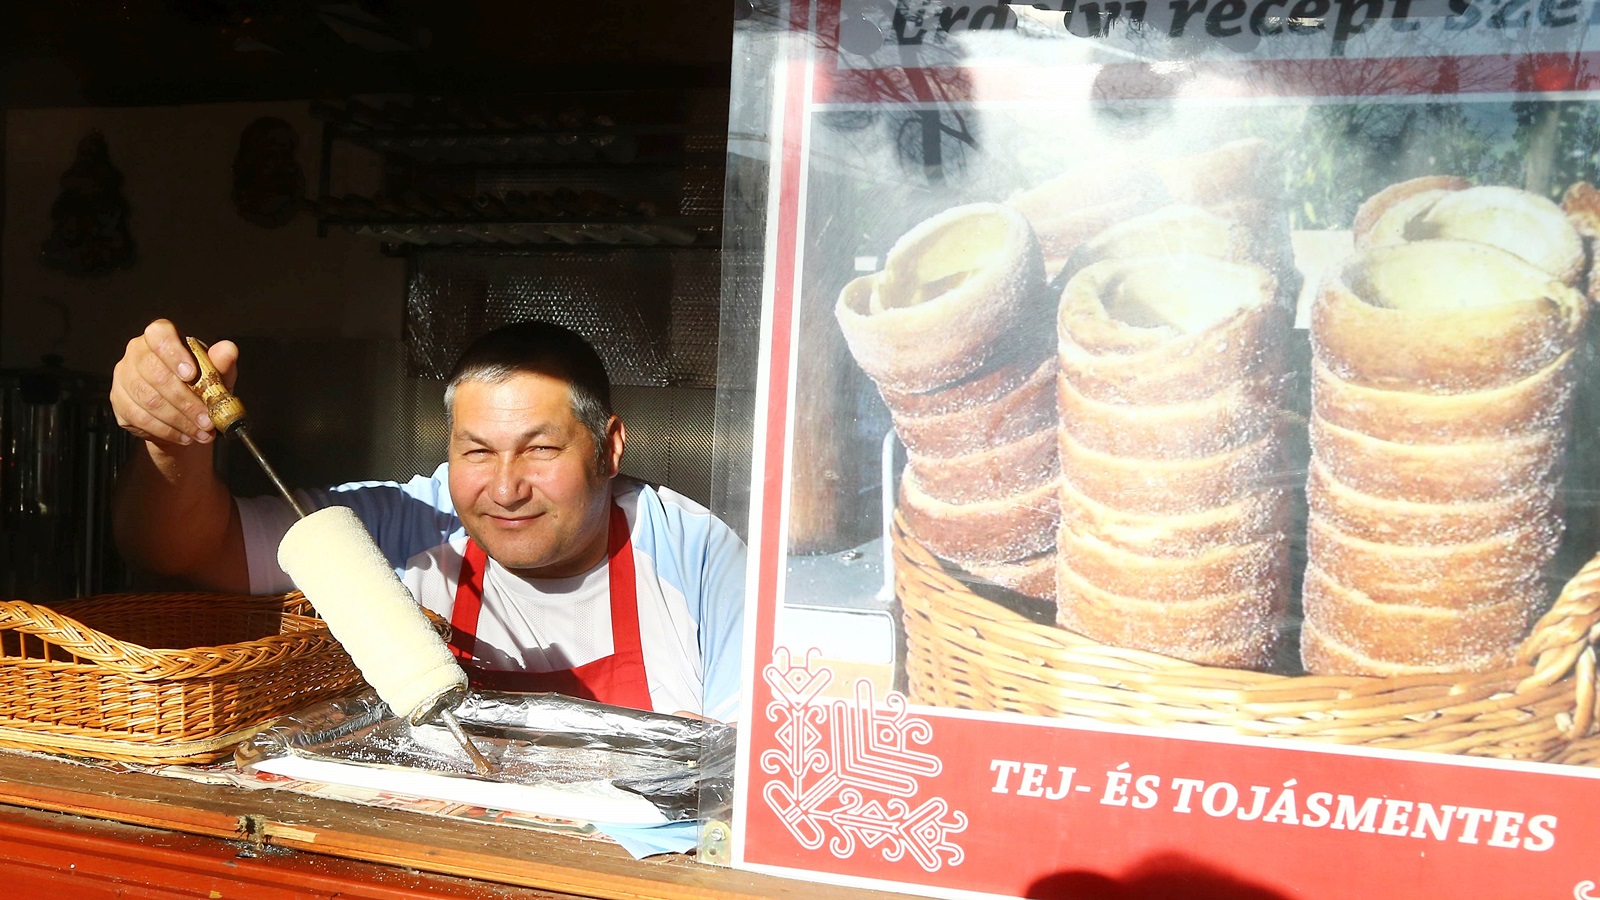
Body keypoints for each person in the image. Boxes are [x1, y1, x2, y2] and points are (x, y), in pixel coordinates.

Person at [110, 319, 745, 721]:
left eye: (541, 449)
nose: (505, 487)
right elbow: (184, 550)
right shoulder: (407, 525)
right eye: (476, 451)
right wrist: (172, 446)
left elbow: (741, 778)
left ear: (608, 449)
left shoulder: (695, 555)